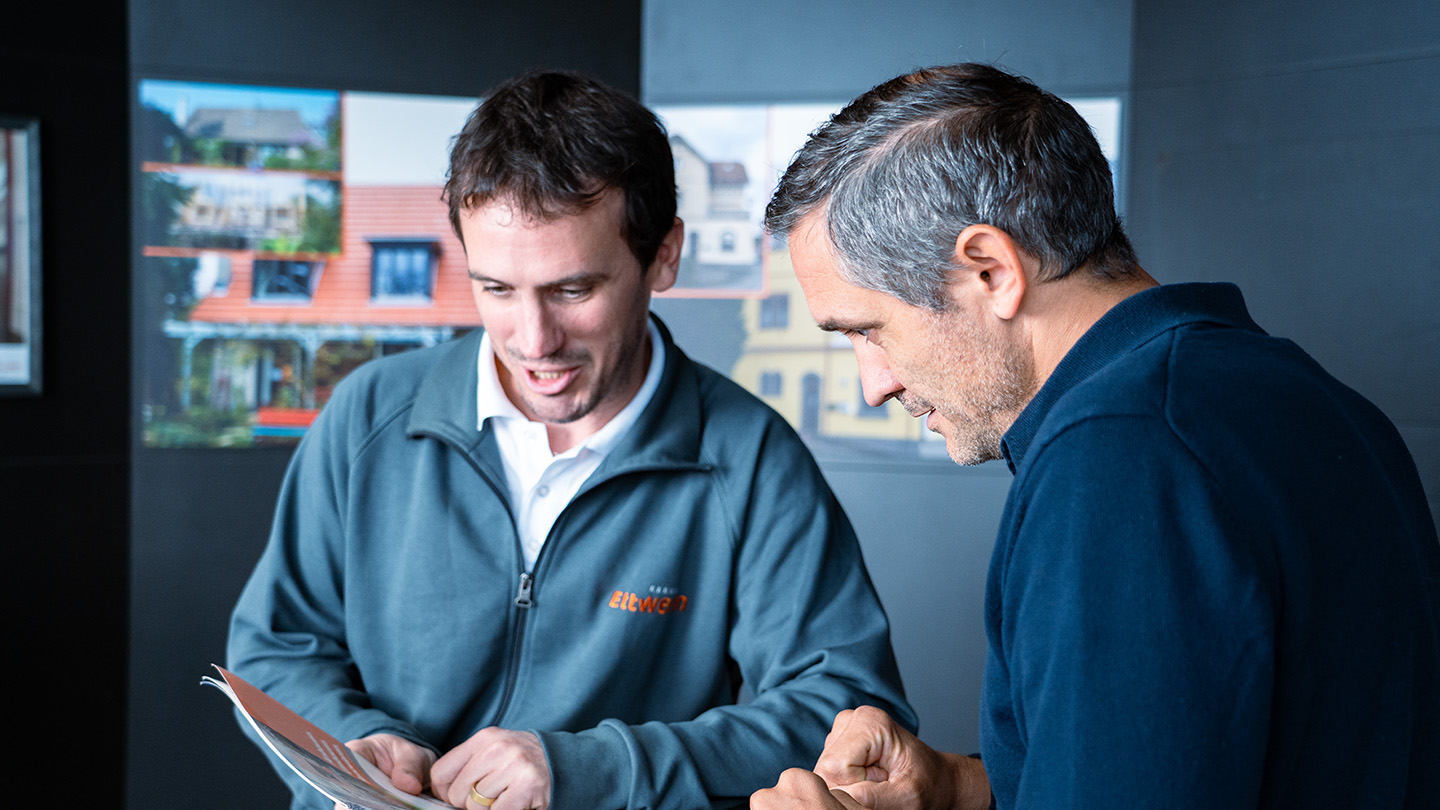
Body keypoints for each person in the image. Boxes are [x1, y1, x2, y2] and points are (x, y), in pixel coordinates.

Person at [752, 62, 1440, 810]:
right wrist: (961, 788)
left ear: (990, 270)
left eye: (867, 330)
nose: (874, 383)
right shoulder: (1304, 399)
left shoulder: (1117, 461)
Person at [227, 69, 916, 810]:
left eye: (573, 290)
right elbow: (276, 648)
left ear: (664, 257)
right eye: (496, 289)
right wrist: (351, 741)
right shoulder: (368, 417)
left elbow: (845, 711)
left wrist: (593, 769)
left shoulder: (750, 458)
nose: (534, 341)